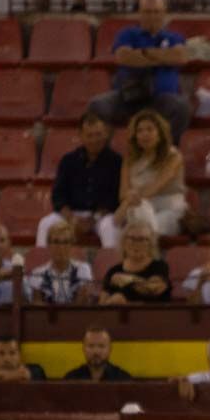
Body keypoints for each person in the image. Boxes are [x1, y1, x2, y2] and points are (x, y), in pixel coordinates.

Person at [87, 0, 189, 139]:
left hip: (161, 99)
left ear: (164, 13)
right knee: (97, 105)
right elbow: (124, 57)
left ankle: (164, 151)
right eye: (147, 12)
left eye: (156, 12)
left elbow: (180, 57)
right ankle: (106, 156)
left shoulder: (174, 37)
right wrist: (163, 57)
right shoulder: (127, 34)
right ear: (140, 13)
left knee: (181, 107)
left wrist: (141, 54)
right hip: (128, 97)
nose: (152, 16)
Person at [37, 113, 122, 249]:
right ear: (81, 136)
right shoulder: (68, 160)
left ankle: (110, 266)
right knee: (45, 224)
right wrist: (71, 218)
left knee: (110, 227)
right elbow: (58, 195)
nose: (94, 140)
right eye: (90, 135)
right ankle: (40, 268)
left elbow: (114, 197)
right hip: (72, 213)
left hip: (102, 215)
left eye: (98, 134)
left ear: (106, 133)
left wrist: (94, 219)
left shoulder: (116, 161)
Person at [116, 108, 186, 238]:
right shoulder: (129, 159)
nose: (144, 134)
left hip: (169, 210)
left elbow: (156, 186)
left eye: (149, 129)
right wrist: (129, 201)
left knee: (145, 222)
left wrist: (133, 197)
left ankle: (145, 245)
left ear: (160, 134)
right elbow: (123, 194)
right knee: (137, 214)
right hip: (138, 207)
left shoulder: (173, 156)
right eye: (140, 131)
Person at [98, 221, 172, 304]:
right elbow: (102, 304)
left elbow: (154, 289)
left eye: (142, 239)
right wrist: (113, 302)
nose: (136, 243)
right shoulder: (114, 271)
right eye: (132, 238)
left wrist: (129, 279)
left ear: (150, 244)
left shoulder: (159, 266)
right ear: (124, 242)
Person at [28, 221, 95, 305]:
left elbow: (80, 308)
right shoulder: (37, 274)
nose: (61, 247)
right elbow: (37, 311)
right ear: (48, 245)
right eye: (56, 242)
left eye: (66, 242)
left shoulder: (83, 270)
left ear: (71, 245)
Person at [63, 326, 132, 381]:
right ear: (83, 349)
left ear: (110, 349)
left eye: (101, 346)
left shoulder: (123, 379)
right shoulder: (71, 379)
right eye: (91, 346)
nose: (96, 351)